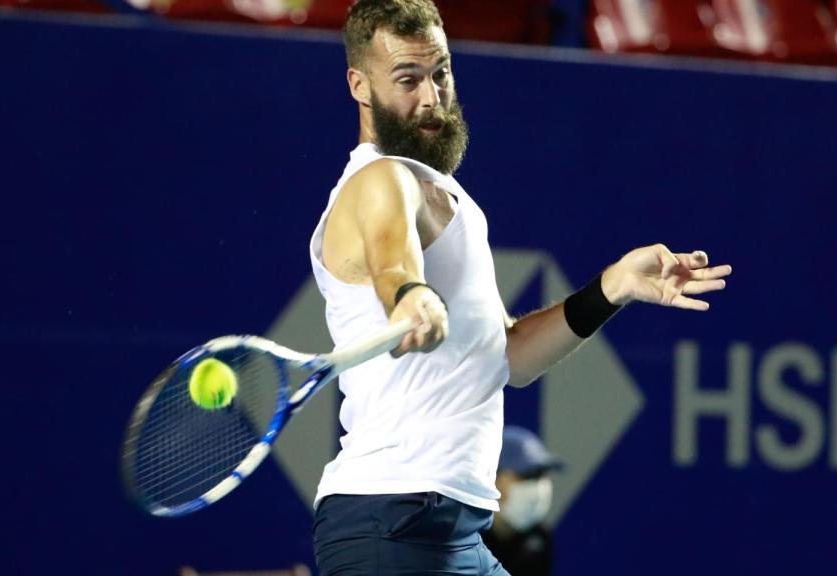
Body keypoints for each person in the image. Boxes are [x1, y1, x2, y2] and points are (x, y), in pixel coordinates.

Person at [308, 1, 732, 574]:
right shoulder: (380, 181)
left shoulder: (454, 201)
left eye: (441, 73)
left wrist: (611, 288)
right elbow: (392, 259)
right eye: (407, 79)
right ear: (359, 85)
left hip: (452, 529)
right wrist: (410, 294)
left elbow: (509, 356)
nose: (431, 97)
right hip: (391, 523)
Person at [482, 426, 564, 576]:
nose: (538, 486)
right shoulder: (462, 538)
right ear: (493, 478)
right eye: (528, 475)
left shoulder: (540, 537)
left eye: (541, 475)